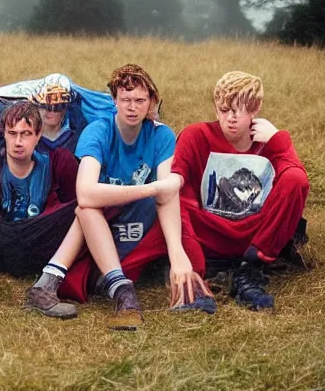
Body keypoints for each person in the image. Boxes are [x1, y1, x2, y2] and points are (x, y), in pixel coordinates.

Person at [39, 64, 214, 331]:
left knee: (190, 251)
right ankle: (122, 291)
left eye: (140, 100)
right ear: (114, 101)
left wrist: (177, 253)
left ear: (151, 102)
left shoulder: (161, 135)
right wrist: (150, 188)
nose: (132, 107)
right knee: (86, 209)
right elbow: (85, 192)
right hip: (104, 221)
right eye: (126, 100)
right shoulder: (98, 131)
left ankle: (166, 269)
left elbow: (168, 196)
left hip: (142, 218)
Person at [171, 71, 310, 310]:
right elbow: (178, 194)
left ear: (255, 109)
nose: (231, 118)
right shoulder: (196, 135)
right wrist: (192, 259)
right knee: (172, 198)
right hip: (208, 232)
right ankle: (195, 278)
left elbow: (297, 182)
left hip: (254, 235)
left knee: (295, 179)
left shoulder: (269, 142)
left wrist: (279, 141)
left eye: (240, 109)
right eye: (224, 110)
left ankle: (250, 269)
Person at [0, 101, 83, 318]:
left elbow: (79, 199)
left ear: (38, 136)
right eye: (12, 133)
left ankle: (46, 286)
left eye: (26, 134)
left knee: (86, 207)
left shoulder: (57, 163)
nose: (18, 141)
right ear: (5, 134)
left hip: (41, 244)